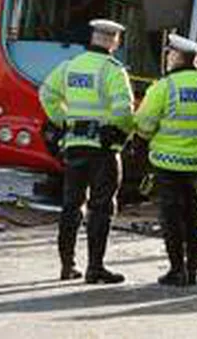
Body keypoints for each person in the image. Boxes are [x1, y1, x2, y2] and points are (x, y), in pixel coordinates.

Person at [39, 19, 135, 284]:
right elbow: (124, 110)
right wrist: (122, 132)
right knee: (101, 207)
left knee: (71, 205)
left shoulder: (70, 66)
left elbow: (46, 93)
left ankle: (67, 266)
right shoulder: (113, 70)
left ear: (93, 38)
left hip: (74, 145)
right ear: (114, 41)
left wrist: (64, 120)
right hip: (103, 149)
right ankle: (95, 268)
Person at [136, 33, 197, 287]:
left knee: (171, 217)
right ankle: (193, 270)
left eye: (170, 53)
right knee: (192, 215)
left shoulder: (163, 88)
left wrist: (149, 140)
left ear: (177, 57)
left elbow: (144, 126)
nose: (168, 57)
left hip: (167, 164)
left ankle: (176, 269)